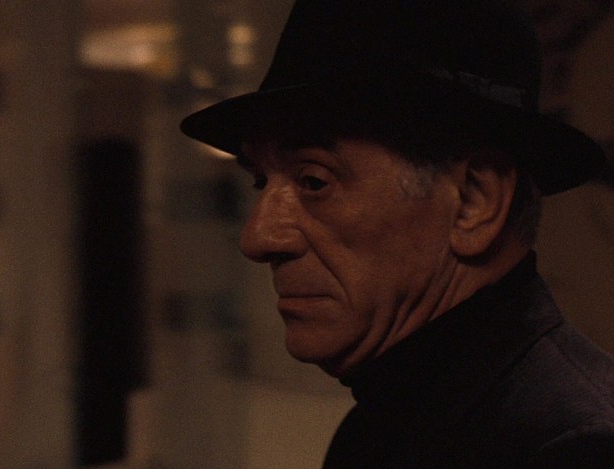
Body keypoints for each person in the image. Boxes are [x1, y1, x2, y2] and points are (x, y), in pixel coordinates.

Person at [180, 1, 614, 467]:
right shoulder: (387, 423)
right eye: (260, 181)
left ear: (475, 201)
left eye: (314, 181)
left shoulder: (573, 447)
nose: (258, 237)